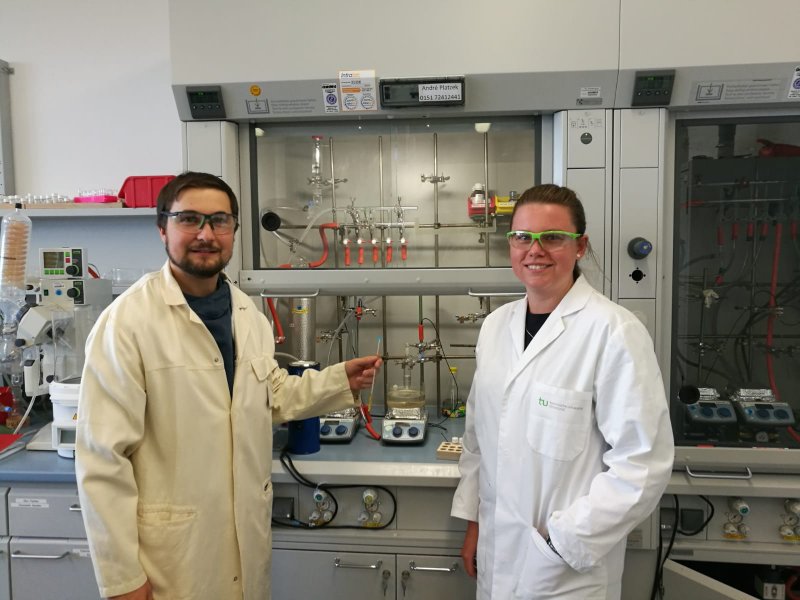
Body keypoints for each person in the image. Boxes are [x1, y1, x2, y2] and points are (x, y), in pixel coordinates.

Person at [75, 171, 381, 600]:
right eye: (189, 220)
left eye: (219, 221)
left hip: (242, 545)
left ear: (234, 231)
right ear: (162, 228)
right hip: (171, 561)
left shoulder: (247, 315)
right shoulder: (127, 324)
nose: (206, 234)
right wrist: (123, 579)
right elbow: (102, 461)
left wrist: (336, 381)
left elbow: (270, 394)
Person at [451, 184, 674, 599]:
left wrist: (561, 541)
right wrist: (476, 524)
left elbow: (643, 465)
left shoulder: (614, 331)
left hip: (565, 570)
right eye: (522, 238)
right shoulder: (496, 326)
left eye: (552, 238)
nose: (534, 250)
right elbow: (478, 440)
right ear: (510, 245)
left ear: (580, 246)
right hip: (497, 553)